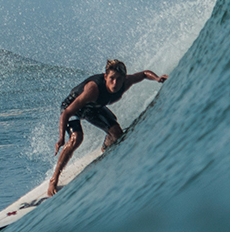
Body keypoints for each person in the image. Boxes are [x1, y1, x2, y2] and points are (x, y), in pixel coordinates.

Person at [48, 59, 168, 196]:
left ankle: (105, 149)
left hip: (94, 108)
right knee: (77, 138)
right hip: (73, 109)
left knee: (117, 134)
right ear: (105, 77)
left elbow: (144, 74)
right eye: (111, 78)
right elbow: (66, 113)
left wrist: (158, 78)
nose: (115, 83)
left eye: (119, 79)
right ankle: (54, 179)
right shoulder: (92, 90)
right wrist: (61, 138)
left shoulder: (125, 83)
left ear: (124, 78)